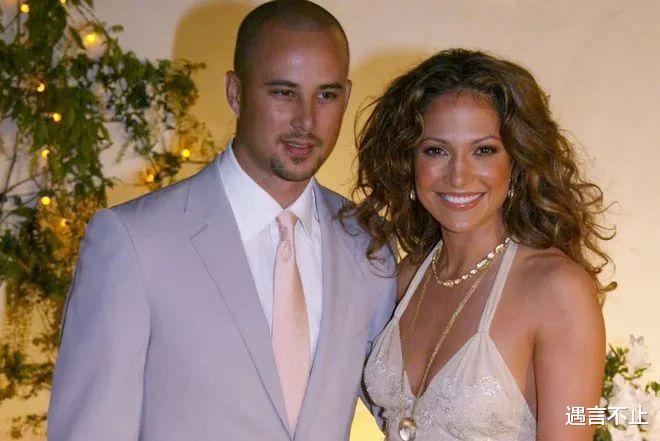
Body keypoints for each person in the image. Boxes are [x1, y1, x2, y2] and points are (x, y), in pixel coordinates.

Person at [47, 1, 395, 440]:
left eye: (326, 95)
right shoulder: (134, 241)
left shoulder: (368, 243)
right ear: (235, 92)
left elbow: (402, 407)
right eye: (283, 92)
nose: (306, 120)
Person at [351, 49, 614, 440]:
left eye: (484, 150)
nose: (459, 176)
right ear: (409, 162)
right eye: (436, 150)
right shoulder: (405, 278)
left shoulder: (557, 289)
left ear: (517, 162)